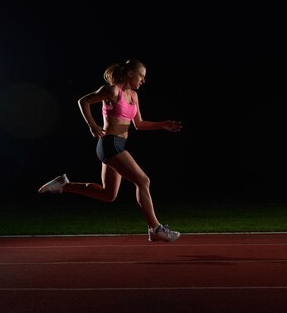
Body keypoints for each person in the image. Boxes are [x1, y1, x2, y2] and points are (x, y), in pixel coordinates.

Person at [38, 58, 182, 242]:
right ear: (130, 74)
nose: (143, 80)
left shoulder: (134, 96)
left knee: (108, 195)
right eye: (141, 76)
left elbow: (138, 124)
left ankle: (63, 185)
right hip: (110, 144)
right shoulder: (113, 90)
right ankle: (155, 228)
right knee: (143, 181)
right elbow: (83, 101)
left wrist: (162, 125)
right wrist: (92, 125)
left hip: (118, 146)